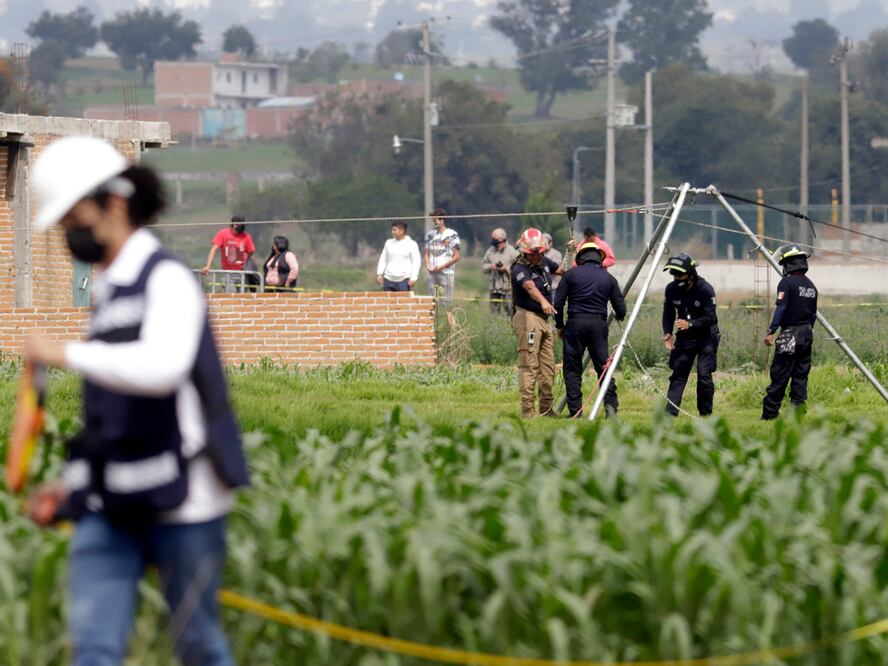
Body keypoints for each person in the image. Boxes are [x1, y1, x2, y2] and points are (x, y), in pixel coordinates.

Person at [23, 136, 249, 666]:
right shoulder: (108, 293)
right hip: (111, 502)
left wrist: (65, 353)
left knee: (197, 646)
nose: (68, 234)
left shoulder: (167, 280)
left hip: (186, 500)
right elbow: (113, 413)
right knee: (95, 649)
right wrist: (72, 486)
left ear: (115, 203)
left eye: (74, 217)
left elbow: (163, 368)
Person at [554, 241, 626, 418]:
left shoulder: (570, 275)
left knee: (572, 370)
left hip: (575, 324)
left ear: (580, 258)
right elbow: (621, 309)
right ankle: (611, 411)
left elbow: (558, 303)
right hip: (598, 326)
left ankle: (575, 412)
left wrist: (560, 326)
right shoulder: (608, 278)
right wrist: (618, 316)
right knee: (603, 368)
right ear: (599, 258)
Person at [510, 228, 568, 418]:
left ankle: (546, 408)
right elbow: (529, 287)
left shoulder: (544, 263)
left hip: (545, 320)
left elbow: (562, 271)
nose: (536, 256)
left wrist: (572, 252)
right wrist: (543, 302)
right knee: (529, 365)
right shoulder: (519, 268)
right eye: (532, 253)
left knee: (547, 366)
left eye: (539, 252)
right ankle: (528, 410)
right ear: (524, 252)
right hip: (528, 318)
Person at [762, 245, 818, 420]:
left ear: (788, 264)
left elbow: (781, 307)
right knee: (801, 375)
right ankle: (798, 415)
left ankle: (770, 415)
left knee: (780, 373)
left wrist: (771, 330)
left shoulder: (786, 283)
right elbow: (814, 315)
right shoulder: (811, 286)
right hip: (807, 333)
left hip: (790, 334)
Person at [661, 253, 720, 417]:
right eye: (673, 274)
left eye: (680, 274)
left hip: (706, 337)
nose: (676, 278)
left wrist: (691, 324)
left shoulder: (705, 289)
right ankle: (670, 415)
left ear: (690, 274)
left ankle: (705, 415)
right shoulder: (671, 289)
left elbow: (711, 318)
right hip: (685, 338)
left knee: (704, 376)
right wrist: (667, 333)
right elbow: (668, 313)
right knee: (678, 374)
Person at [201, 215, 256, 292]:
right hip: (228, 272)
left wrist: (247, 258)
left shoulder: (246, 236)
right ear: (234, 224)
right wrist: (208, 266)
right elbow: (214, 249)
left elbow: (251, 250)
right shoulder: (223, 233)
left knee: (243, 297)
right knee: (230, 296)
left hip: (242, 272)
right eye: (239, 224)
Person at [423, 208, 461, 305]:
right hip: (432, 273)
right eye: (433, 221)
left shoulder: (452, 234)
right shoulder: (430, 235)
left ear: (442, 220)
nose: (434, 223)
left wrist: (441, 267)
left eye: (435, 221)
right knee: (433, 301)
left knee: (446, 302)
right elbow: (426, 254)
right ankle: (434, 320)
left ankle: (449, 320)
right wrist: (428, 265)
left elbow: (457, 256)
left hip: (446, 273)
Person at [481, 228, 517, 315]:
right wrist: (490, 266)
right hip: (494, 287)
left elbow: (518, 268)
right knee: (494, 313)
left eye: (494, 237)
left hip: (508, 288)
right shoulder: (490, 251)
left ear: (500, 239)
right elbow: (483, 267)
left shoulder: (512, 251)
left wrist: (506, 268)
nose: (492, 239)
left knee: (509, 312)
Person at [376, 220, 421, 292]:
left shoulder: (412, 244)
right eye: (392, 230)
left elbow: (416, 262)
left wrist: (413, 277)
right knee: (388, 302)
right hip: (388, 279)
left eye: (394, 230)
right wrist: (379, 274)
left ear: (402, 231)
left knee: (403, 302)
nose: (392, 232)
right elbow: (383, 259)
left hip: (404, 280)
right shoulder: (388, 242)